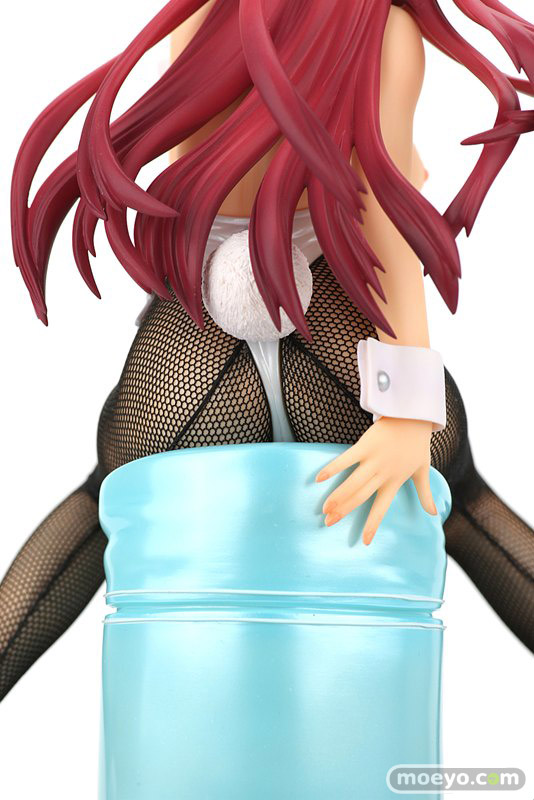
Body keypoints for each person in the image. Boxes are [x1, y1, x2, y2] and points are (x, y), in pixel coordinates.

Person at [2, 0, 534, 702]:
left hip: (197, 357)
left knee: (105, 499)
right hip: (336, 339)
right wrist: (407, 414)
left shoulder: (203, 16)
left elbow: (199, 179)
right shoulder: (385, 30)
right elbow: (386, 220)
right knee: (461, 499)